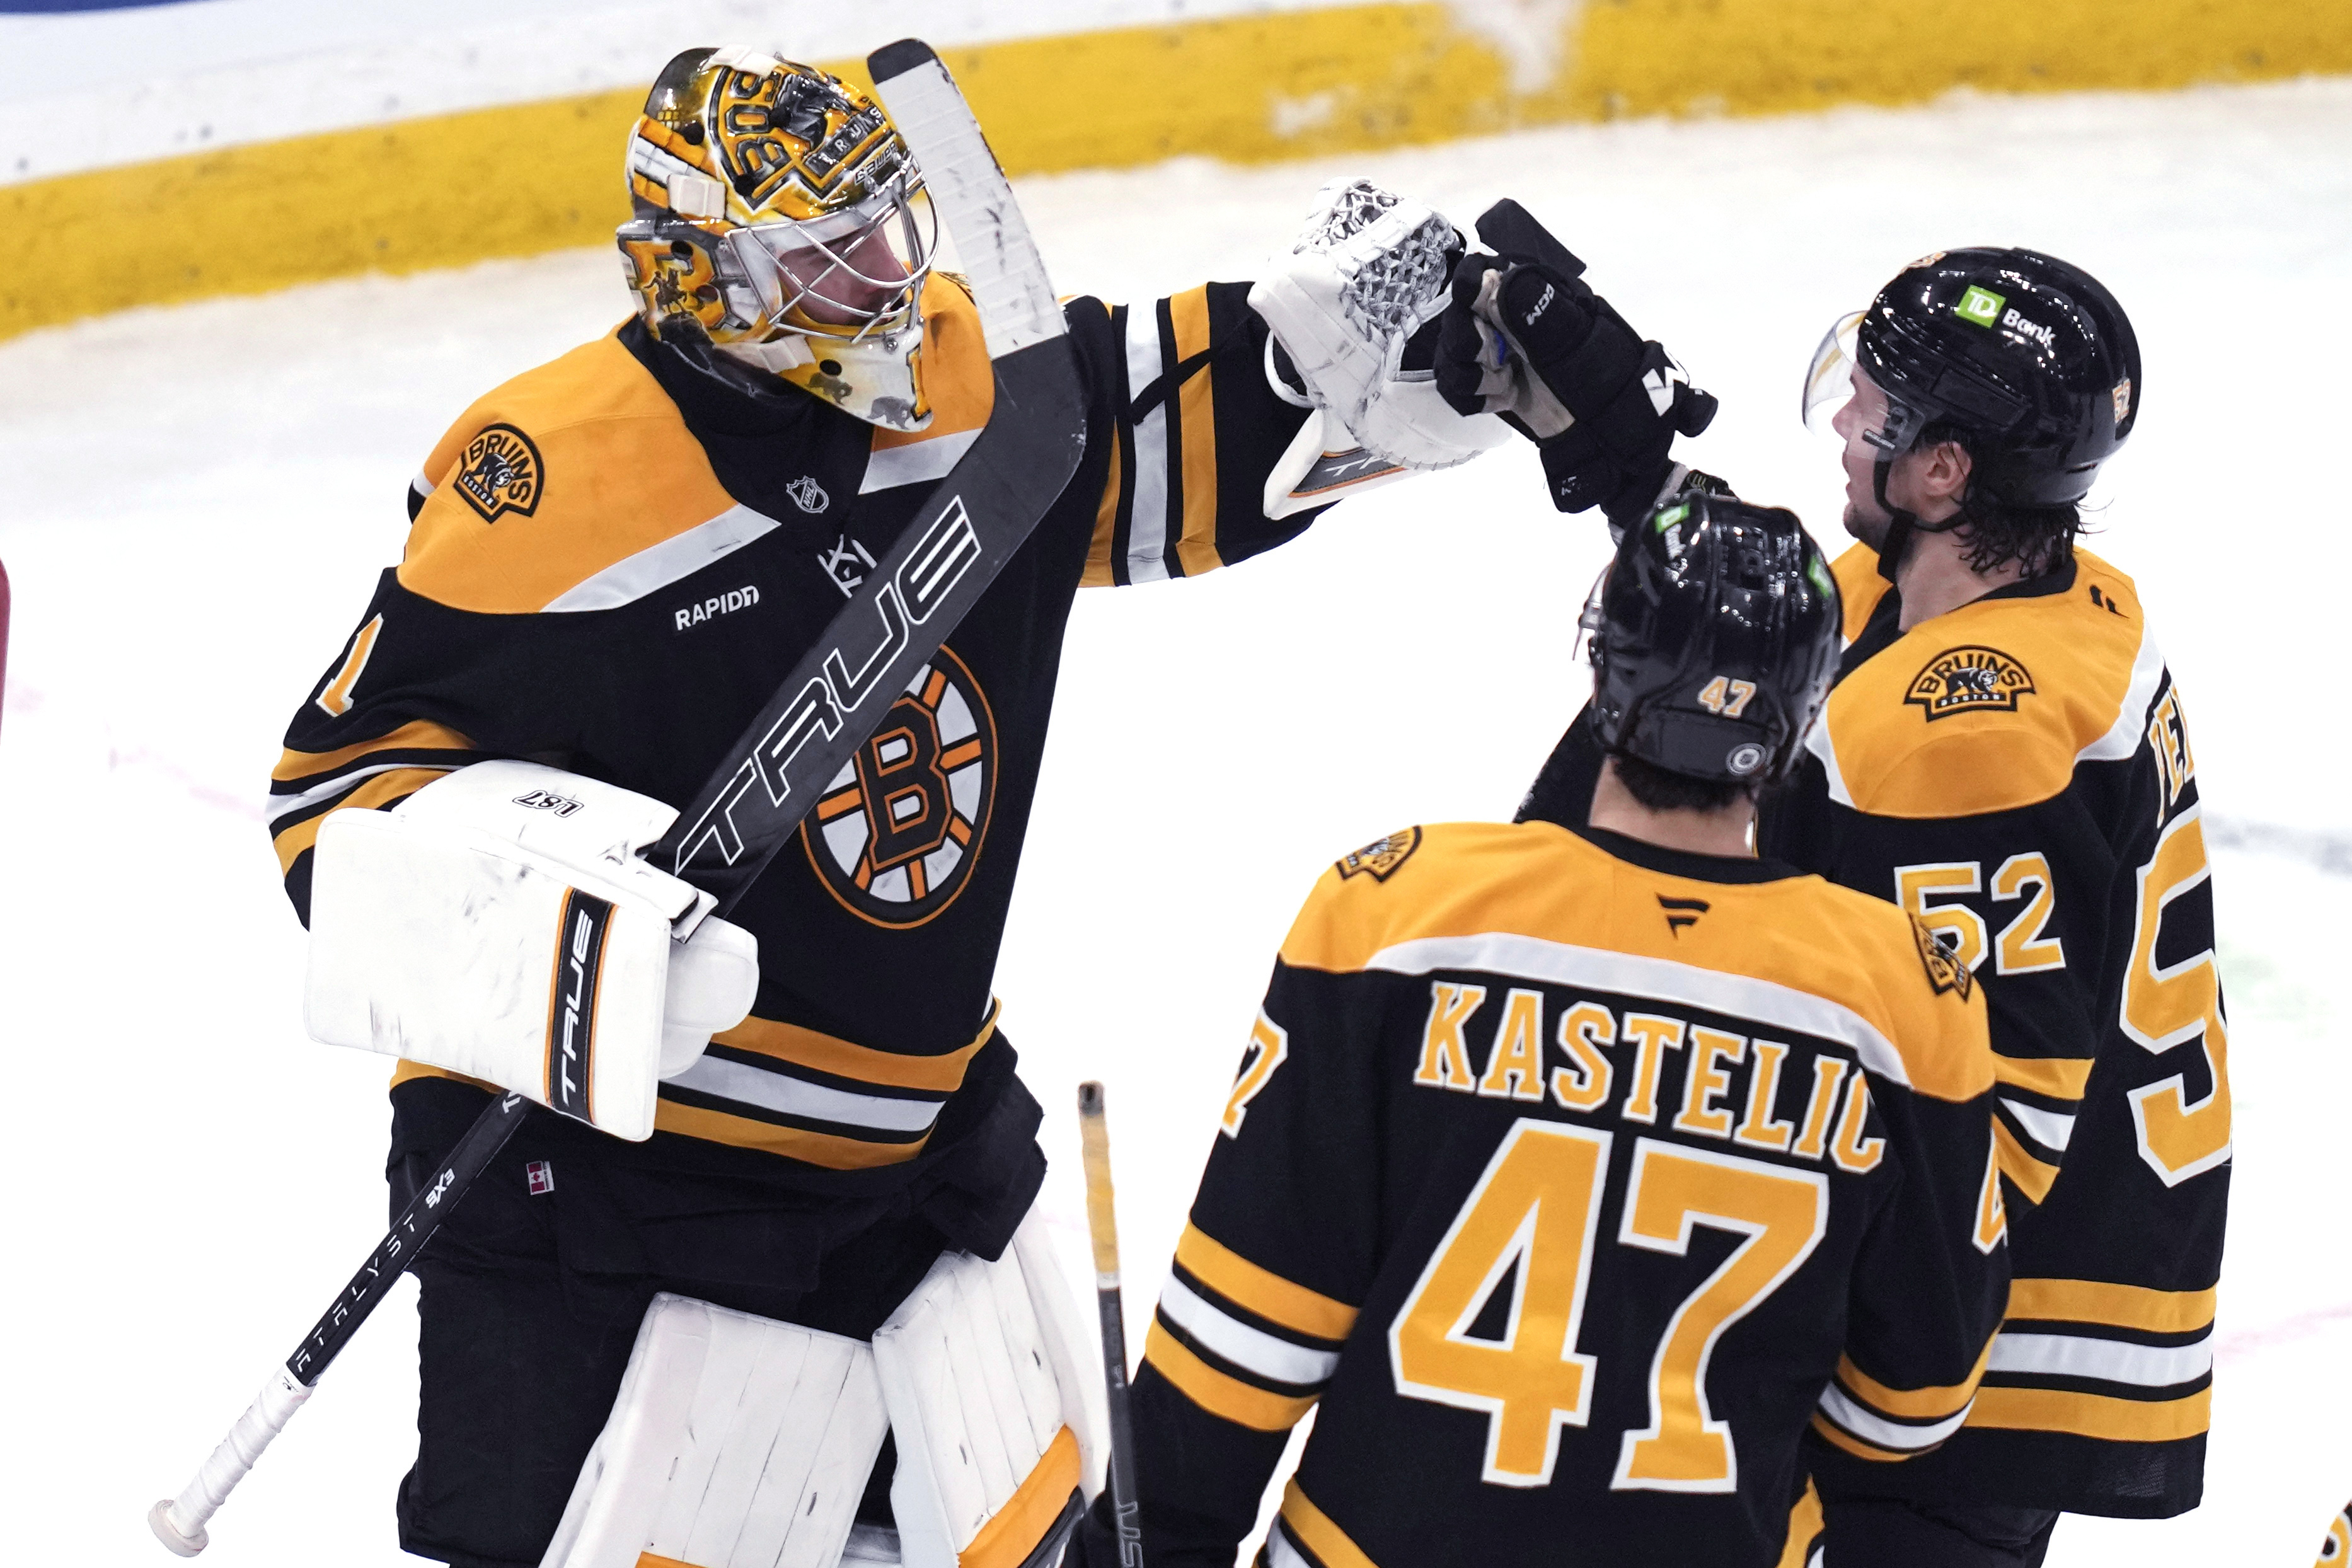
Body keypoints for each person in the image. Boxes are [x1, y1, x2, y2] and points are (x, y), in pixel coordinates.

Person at [258, 47, 1691, 1568]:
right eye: (827, 259)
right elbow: (337, 797)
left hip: (907, 1169)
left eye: (894, 230)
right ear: (696, 277)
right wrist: (570, 924)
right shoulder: (540, 482)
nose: (886, 282)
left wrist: (1439, 338)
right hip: (607, 1199)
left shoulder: (948, 378)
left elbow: (1168, 434)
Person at [1074, 494, 2010, 1567]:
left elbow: (1245, 1339)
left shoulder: (1398, 916)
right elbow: (1909, 1406)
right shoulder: (1907, 998)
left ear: (1605, 672)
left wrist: (1140, 1546)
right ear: (1797, 719)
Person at [1481, 239, 2226, 1563]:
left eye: (1873, 409)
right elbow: (1768, 654)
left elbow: (1986, 1131)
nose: (1841, 424)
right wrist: (1632, 465)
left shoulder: (1962, 736)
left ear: (1945, 472)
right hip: (2000, 1307)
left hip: (1979, 1358)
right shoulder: (1999, 598)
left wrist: (1800, 1338)